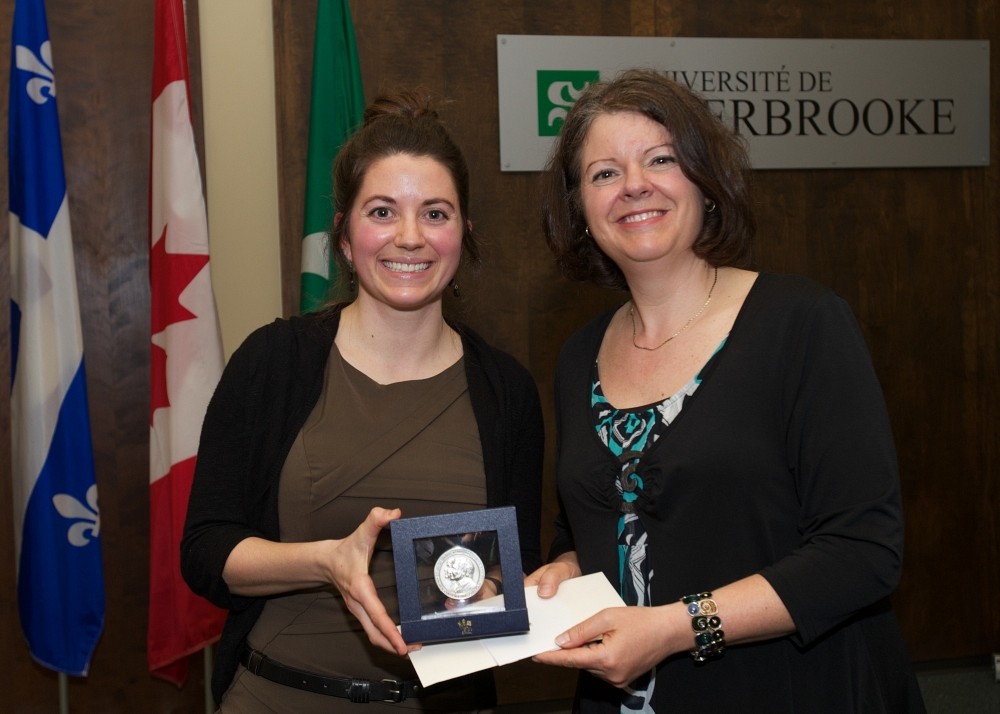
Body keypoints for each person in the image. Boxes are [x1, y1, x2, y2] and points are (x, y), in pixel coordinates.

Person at [526, 69, 926, 713]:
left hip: (795, 689)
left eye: (661, 159)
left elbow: (863, 552)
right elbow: (581, 523)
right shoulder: (578, 359)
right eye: (603, 173)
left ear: (706, 182)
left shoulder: (801, 323)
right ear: (580, 209)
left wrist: (675, 627)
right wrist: (567, 566)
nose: (634, 185)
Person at [181, 89, 543, 712]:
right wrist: (327, 560)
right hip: (275, 697)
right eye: (382, 211)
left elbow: (514, 571)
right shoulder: (274, 362)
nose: (409, 237)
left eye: (435, 213)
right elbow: (206, 550)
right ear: (345, 237)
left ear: (463, 235)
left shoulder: (505, 389)